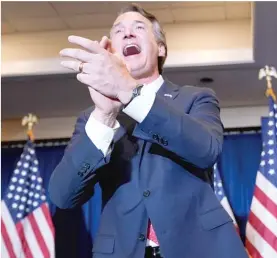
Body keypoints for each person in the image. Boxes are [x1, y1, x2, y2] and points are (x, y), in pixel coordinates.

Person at [48, 4, 248, 258]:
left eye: (138, 28)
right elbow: (63, 196)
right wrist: (105, 115)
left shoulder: (196, 99)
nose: (128, 34)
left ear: (161, 48)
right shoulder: (92, 118)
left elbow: (206, 150)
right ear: (111, 52)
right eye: (119, 31)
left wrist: (130, 93)